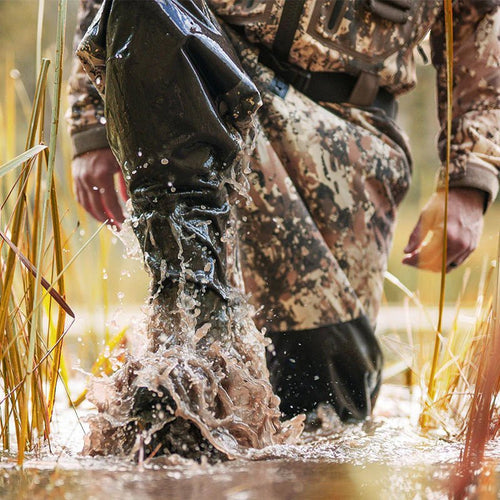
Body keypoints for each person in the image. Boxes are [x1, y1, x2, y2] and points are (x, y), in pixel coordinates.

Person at [68, 0, 500, 430]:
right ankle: (187, 323)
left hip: (348, 135)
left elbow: (479, 22)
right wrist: (92, 116)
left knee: (323, 410)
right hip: (213, 76)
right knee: (185, 396)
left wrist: (468, 181)